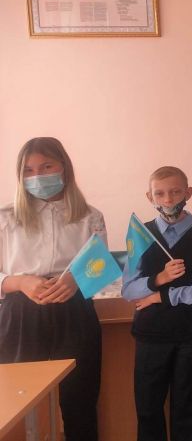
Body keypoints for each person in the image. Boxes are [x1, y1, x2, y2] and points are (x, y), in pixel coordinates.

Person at [0, 137, 106, 441]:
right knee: (16, 400)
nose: (38, 176)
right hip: (21, 312)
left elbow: (100, 268)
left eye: (47, 166)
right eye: (29, 170)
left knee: (80, 399)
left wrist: (75, 279)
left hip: (73, 309)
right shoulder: (6, 218)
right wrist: (21, 282)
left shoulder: (90, 216)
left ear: (64, 168)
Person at [121, 166, 192, 441]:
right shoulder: (141, 233)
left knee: (187, 407)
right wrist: (159, 279)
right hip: (150, 334)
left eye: (175, 192)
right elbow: (129, 289)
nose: (168, 199)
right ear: (149, 197)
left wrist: (158, 297)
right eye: (160, 194)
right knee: (148, 407)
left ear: (188, 193)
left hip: (187, 334)